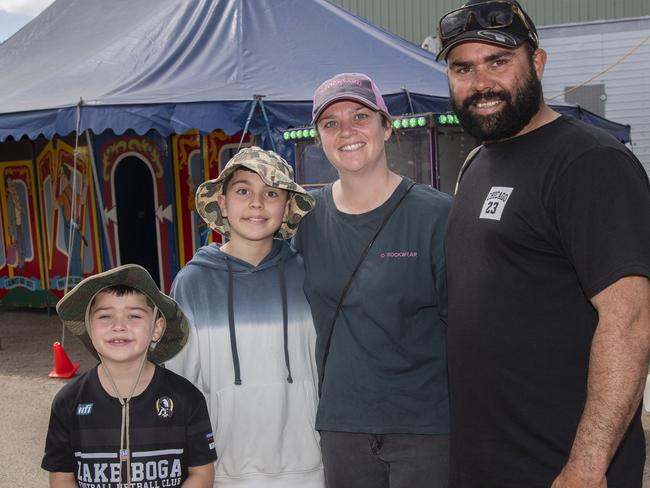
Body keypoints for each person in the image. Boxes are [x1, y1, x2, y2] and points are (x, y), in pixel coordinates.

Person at [438, 1, 650, 487]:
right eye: (462, 68)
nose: (480, 83)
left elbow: (630, 321)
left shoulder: (589, 162)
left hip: (561, 469)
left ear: (537, 62)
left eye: (498, 61)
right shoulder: (478, 163)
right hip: (484, 465)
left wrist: (587, 467)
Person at [293, 73, 452, 488]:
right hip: (342, 427)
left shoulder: (437, 217)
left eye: (360, 116)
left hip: (425, 430)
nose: (346, 130)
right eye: (331, 123)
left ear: (386, 126)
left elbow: (470, 330)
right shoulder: (307, 220)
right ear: (320, 138)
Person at [165, 147, 324, 487]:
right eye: (243, 191)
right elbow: (179, 382)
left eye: (271, 193)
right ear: (222, 203)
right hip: (223, 469)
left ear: (286, 207)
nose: (256, 203)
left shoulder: (310, 273)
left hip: (309, 466)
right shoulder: (192, 283)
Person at [41, 264, 217, 487]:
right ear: (88, 326)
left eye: (134, 316)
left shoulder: (186, 398)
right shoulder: (68, 402)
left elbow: (202, 474)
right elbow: (61, 477)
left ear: (157, 328)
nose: (118, 326)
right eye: (105, 316)